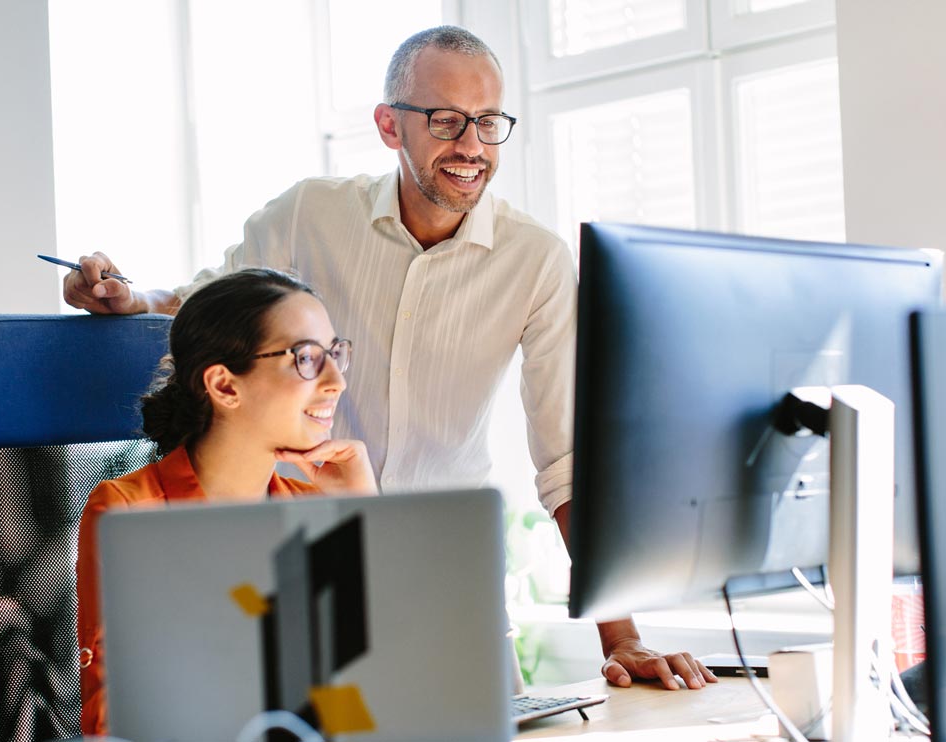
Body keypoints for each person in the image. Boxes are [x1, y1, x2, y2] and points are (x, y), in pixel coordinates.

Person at [63, 26, 717, 693]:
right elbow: (215, 303)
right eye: (447, 120)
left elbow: (568, 462)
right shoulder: (309, 215)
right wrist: (130, 297)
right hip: (300, 572)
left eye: (489, 123)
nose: (472, 146)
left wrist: (623, 636)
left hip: (442, 589)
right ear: (388, 126)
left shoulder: (536, 260)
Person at [74, 268, 377, 735]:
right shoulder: (132, 512)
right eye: (308, 358)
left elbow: (359, 697)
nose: (336, 380)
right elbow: (115, 721)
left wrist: (362, 513)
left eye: (336, 354)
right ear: (225, 386)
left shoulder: (310, 506)